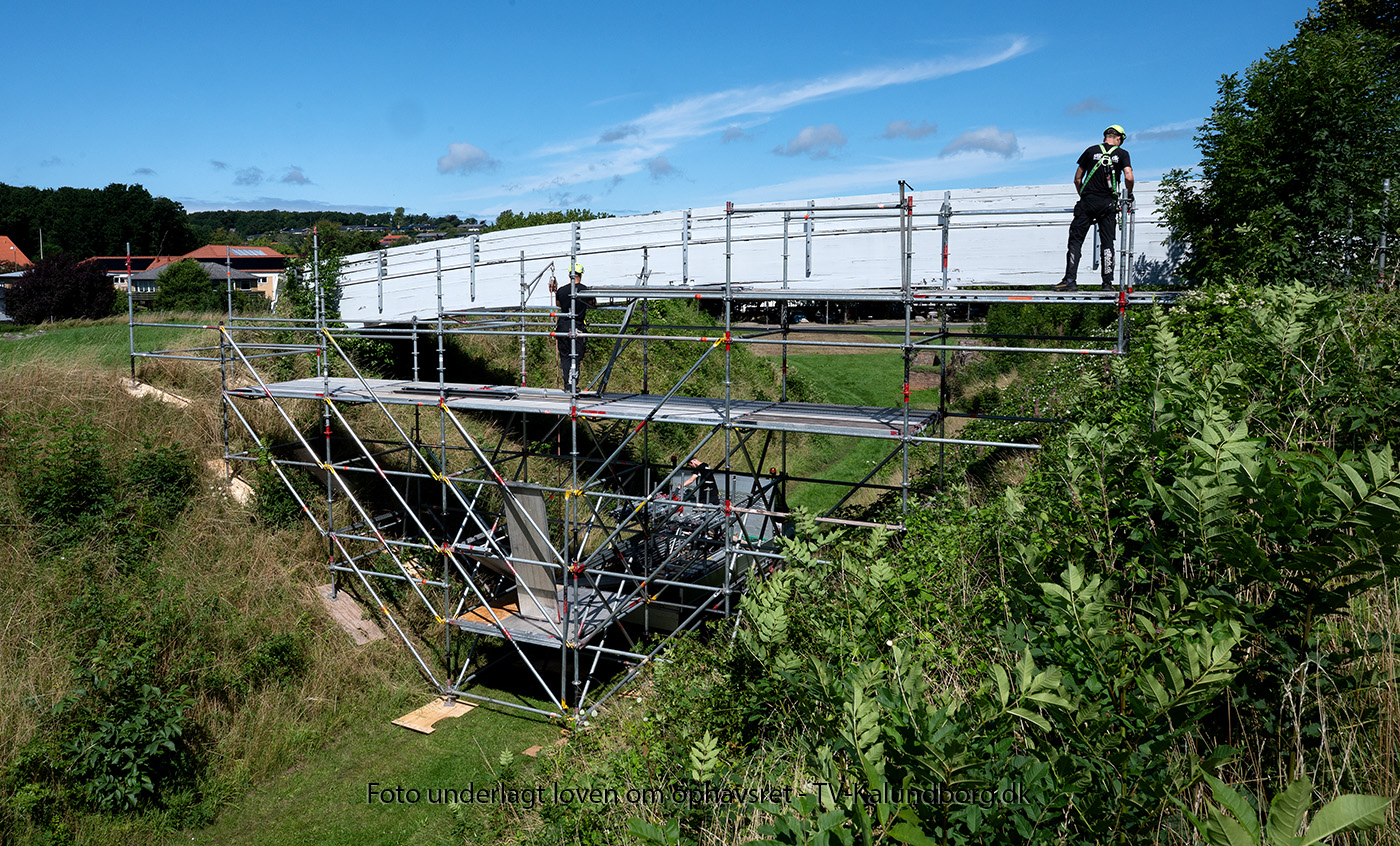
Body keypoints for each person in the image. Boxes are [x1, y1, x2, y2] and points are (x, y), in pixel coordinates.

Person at [1053, 125, 1134, 292]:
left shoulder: (1090, 151)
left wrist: (1082, 195)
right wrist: (1129, 194)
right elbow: (1129, 176)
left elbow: (1077, 178)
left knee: (1076, 241)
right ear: (1119, 138)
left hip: (1087, 202)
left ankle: (1070, 280)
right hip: (1108, 204)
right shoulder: (1122, 154)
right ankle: (1107, 284)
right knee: (1107, 243)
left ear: (1105, 137)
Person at [549, 262, 595, 392]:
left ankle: (567, 385)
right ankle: (572, 384)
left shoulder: (562, 290)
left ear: (570, 275)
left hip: (562, 326)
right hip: (577, 326)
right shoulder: (585, 290)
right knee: (575, 355)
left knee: (565, 356)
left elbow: (559, 304)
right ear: (580, 274)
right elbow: (592, 304)